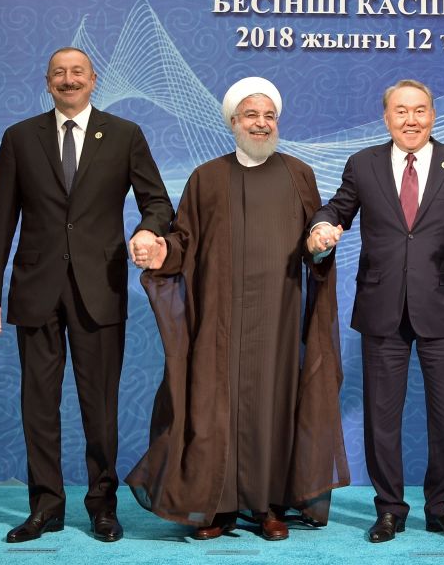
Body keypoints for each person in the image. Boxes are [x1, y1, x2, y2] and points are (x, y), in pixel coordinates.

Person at [125, 77, 349, 542]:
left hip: (277, 319)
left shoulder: (299, 174)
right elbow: (184, 241)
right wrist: (161, 251)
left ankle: (269, 506)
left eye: (269, 116)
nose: (261, 124)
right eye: (251, 115)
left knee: (273, 406)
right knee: (212, 408)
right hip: (219, 317)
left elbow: (315, 243)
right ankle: (218, 506)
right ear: (233, 122)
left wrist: (321, 247)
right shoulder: (206, 177)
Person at [0, 47, 172, 544]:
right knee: (37, 405)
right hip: (34, 287)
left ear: (93, 79)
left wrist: (147, 231)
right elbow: (1, 217)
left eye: (77, 72)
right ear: (48, 82)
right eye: (59, 73)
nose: (68, 79)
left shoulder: (124, 134)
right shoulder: (20, 137)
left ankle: (102, 507)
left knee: (99, 406)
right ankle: (45, 507)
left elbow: (157, 201)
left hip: (99, 287)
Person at [307, 79, 444, 544]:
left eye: (419, 110)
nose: (410, 120)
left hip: (442, 305)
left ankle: (442, 507)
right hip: (382, 307)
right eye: (401, 111)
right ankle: (389, 509)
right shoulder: (363, 164)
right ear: (387, 117)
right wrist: (320, 230)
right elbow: (337, 209)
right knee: (381, 417)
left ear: (432, 115)